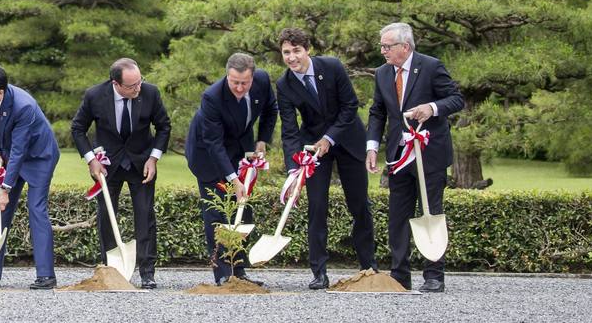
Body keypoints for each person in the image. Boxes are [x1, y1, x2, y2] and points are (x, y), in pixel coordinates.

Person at [366, 21, 464, 293]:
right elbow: (377, 112)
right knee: (398, 215)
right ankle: (399, 275)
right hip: (399, 155)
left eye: (387, 46)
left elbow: (456, 99)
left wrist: (432, 108)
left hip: (430, 154)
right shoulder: (382, 73)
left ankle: (434, 275)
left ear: (404, 47)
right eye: (382, 46)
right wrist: (372, 146)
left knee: (430, 212)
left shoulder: (431, 66)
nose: (383, 51)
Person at [275, 27, 377, 289]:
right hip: (313, 149)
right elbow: (289, 130)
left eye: (296, 51)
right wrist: (294, 167)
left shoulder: (331, 67)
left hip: (347, 139)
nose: (292, 57)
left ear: (307, 49)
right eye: (286, 52)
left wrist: (329, 139)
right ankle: (319, 272)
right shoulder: (284, 84)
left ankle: (369, 267)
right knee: (317, 207)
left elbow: (350, 106)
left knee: (359, 205)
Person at [69, 57, 171, 288]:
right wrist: (91, 159)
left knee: (145, 215)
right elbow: (77, 128)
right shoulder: (95, 95)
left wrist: (154, 158)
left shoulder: (151, 93)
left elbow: (164, 126)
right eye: (131, 86)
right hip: (106, 166)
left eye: (139, 82)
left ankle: (147, 272)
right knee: (106, 216)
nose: (138, 89)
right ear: (116, 83)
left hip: (141, 163)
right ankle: (111, 269)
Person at [184, 52, 278, 285]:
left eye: (244, 83)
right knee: (218, 213)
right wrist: (233, 179)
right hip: (207, 154)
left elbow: (270, 109)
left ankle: (240, 270)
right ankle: (224, 274)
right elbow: (214, 144)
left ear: (253, 78)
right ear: (227, 75)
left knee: (243, 210)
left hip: (240, 146)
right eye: (234, 82)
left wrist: (262, 140)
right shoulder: (212, 97)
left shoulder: (263, 81)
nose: (238, 87)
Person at [0, 63, 61, 290]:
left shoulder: (24, 106)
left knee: (36, 208)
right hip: (10, 154)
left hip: (39, 157)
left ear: (0, 92)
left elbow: (20, 150)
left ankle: (46, 276)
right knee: (0, 211)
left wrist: (6, 188)